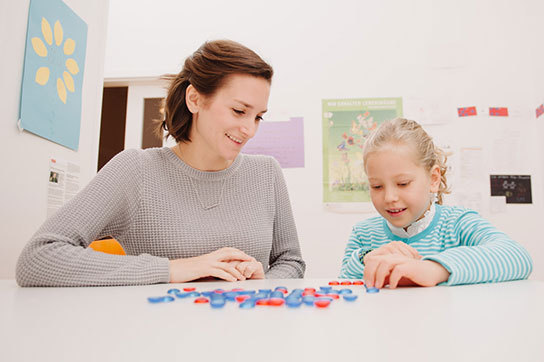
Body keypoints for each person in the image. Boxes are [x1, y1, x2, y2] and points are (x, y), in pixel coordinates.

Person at [16, 40, 305, 287]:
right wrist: (174, 269)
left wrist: (263, 282)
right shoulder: (136, 170)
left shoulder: (266, 173)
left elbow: (291, 262)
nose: (250, 130)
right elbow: (39, 257)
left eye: (257, 116)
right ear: (194, 99)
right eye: (239, 110)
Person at [340, 117, 532, 288]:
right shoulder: (363, 234)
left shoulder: (457, 224)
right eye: (376, 186)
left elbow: (518, 257)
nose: (389, 197)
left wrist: (435, 268)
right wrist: (366, 259)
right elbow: (343, 284)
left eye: (403, 183)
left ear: (433, 179)